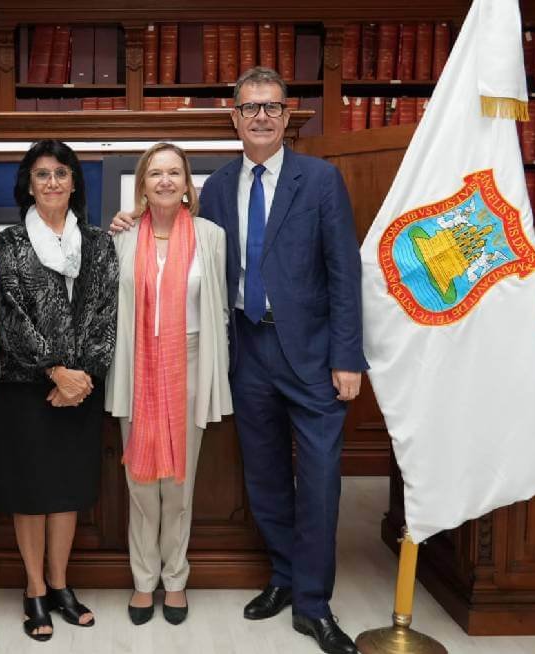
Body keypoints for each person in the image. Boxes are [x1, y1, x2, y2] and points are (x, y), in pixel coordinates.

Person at [112, 67, 366, 654]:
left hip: (313, 354)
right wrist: (128, 221)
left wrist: (347, 357)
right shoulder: (220, 187)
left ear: (286, 115)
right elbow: (181, 240)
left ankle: (313, 603)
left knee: (322, 480)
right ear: (234, 117)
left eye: (271, 107)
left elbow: (343, 275)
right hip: (247, 352)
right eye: (249, 107)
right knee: (267, 476)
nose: (260, 117)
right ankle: (282, 576)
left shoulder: (322, 181)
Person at [0, 139, 118, 642]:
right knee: (31, 492)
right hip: (27, 388)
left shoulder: (100, 242)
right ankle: (35, 589)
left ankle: (62, 585)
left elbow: (106, 313)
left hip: (80, 390)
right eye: (41, 174)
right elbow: (11, 315)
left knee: (67, 491)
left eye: (61, 174)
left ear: (74, 183)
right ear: (28, 184)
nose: (52, 183)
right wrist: (54, 371)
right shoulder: (10, 242)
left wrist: (80, 375)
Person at [104, 143, 232, 626]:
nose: (164, 181)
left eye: (173, 172)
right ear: (142, 183)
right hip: (136, 366)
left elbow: (219, 310)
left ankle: (175, 579)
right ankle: (143, 581)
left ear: (187, 183)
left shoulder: (210, 236)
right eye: (154, 173)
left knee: (179, 483)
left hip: (191, 364)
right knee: (139, 484)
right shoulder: (120, 238)